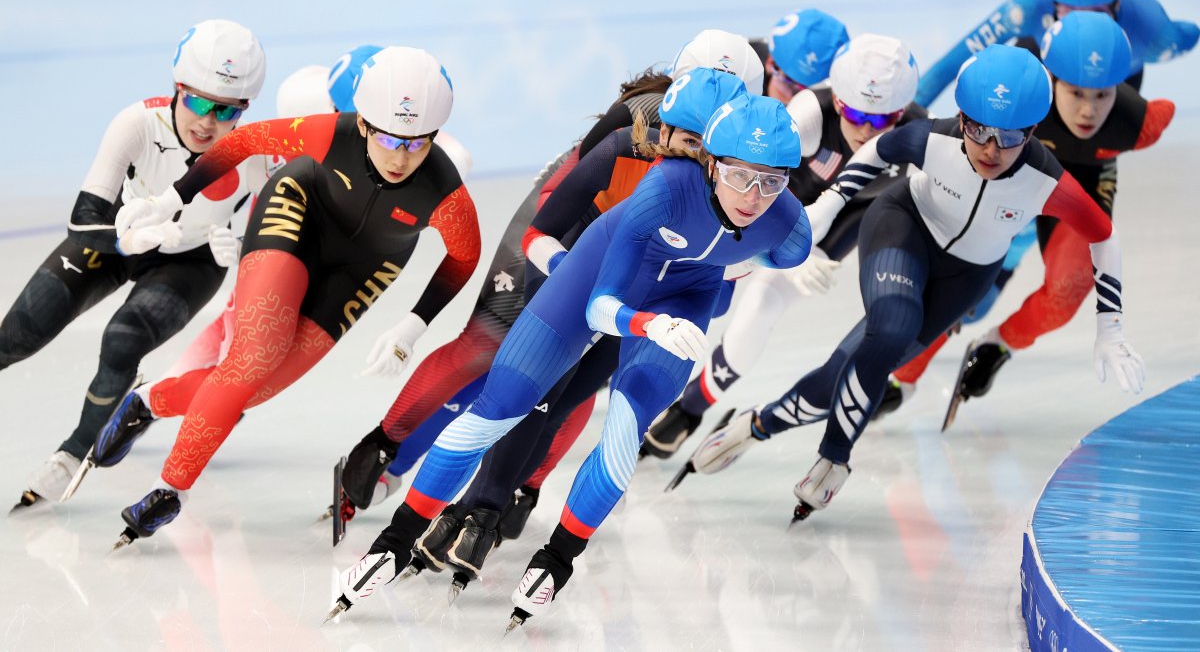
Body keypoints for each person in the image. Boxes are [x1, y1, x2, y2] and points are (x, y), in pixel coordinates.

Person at [329, 93, 811, 627]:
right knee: (500, 407)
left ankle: (557, 558)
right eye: (742, 175)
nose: (755, 195)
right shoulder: (667, 185)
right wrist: (647, 321)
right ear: (711, 162)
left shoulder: (787, 226)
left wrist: (726, 270)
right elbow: (601, 305)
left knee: (626, 431)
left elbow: (768, 250)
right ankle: (396, 538)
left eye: (773, 180)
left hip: (681, 300)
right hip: (600, 279)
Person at [686, 44, 1145, 523]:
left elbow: (1104, 238)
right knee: (892, 327)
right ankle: (834, 457)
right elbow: (879, 149)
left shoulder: (1046, 181)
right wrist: (832, 200)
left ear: (1032, 133)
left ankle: (755, 426)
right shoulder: (935, 139)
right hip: (903, 226)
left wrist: (1110, 324)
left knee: (843, 372)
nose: (990, 149)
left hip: (966, 274)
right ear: (961, 117)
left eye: (1008, 138)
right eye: (977, 129)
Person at [330, 30, 766, 528]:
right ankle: (386, 449)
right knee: (489, 349)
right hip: (567, 229)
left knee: (569, 382)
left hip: (637, 253)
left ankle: (521, 486)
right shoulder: (641, 117)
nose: (708, 122)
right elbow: (579, 199)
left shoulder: (749, 157)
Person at [107, 46, 482, 548]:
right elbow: (243, 142)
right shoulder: (330, 132)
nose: (401, 157)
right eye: (390, 138)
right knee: (252, 359)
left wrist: (411, 326)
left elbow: (464, 257)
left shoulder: (445, 193)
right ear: (366, 124)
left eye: (418, 144)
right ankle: (170, 490)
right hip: (297, 214)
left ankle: (148, 402)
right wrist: (171, 199)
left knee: (260, 386)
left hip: (366, 266)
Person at [401, 69, 749, 596]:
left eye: (710, 146)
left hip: (644, 307)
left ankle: (480, 510)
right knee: (535, 395)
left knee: (556, 406)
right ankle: (479, 509)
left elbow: (727, 279)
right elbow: (545, 225)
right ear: (665, 131)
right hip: (581, 280)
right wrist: (573, 275)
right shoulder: (620, 148)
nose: (697, 156)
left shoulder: (733, 190)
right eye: (687, 140)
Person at [3, 20, 268, 509]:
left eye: (226, 110)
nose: (208, 122)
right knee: (15, 337)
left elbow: (286, 232)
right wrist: (127, 240)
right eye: (198, 101)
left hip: (191, 260)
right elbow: (82, 223)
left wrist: (244, 243)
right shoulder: (137, 124)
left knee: (121, 341)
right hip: (117, 237)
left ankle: (72, 454)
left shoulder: (252, 153)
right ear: (177, 87)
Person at [643, 33, 926, 459]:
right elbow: (755, 187)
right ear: (837, 101)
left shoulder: (921, 133)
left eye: (882, 121)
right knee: (712, 295)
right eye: (852, 113)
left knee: (761, 307)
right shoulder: (810, 113)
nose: (866, 131)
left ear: (901, 113)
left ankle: (690, 410)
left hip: (837, 225)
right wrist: (789, 258)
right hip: (768, 208)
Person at [888, 12, 1173, 416]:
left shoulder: (1139, 123)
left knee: (1068, 289)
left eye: (1103, 95)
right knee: (967, 296)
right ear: (1050, 79)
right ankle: (906, 375)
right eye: (1075, 93)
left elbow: (1103, 237)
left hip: (1078, 188)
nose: (1089, 112)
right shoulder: (1015, 85)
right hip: (1012, 176)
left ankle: (997, 345)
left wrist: (1110, 327)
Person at [915, 0, 1197, 107]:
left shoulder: (1157, 36)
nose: (1081, 25)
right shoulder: (1028, 8)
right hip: (1043, 50)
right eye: (1071, 12)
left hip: (1116, 65)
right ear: (1053, 2)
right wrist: (910, 108)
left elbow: (1188, 34)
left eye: (1096, 13)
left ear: (1118, 5)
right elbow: (957, 58)